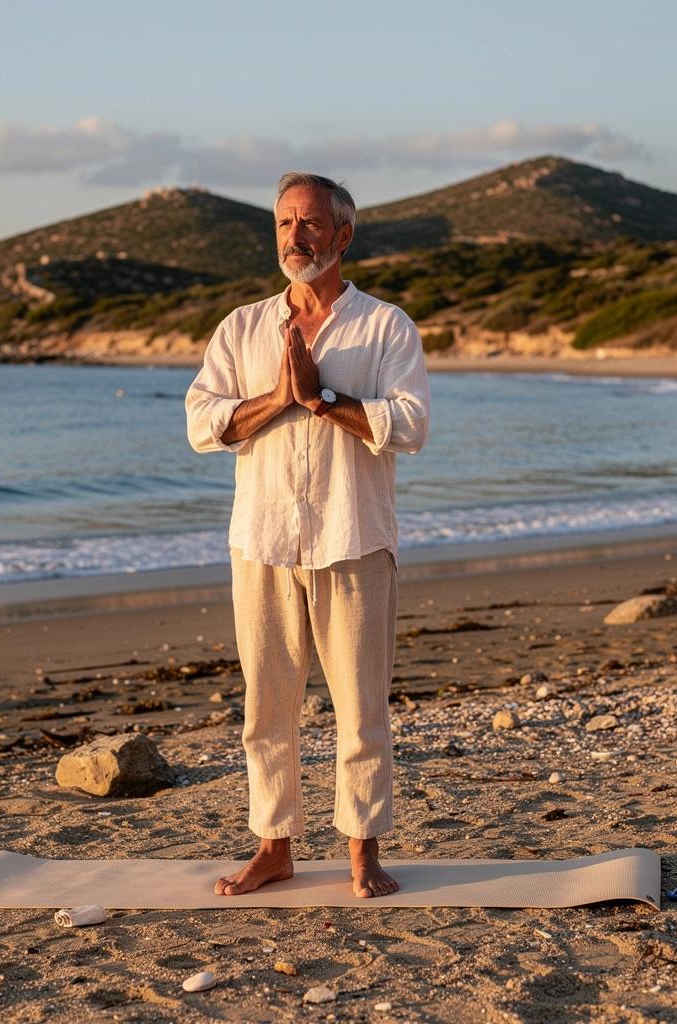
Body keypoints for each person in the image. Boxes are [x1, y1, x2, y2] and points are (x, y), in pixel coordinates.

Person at [185, 171, 430, 898]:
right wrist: (277, 397)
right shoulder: (242, 327)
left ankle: (363, 851)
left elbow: (410, 424)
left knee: (361, 708)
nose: (296, 236)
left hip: (354, 538)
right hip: (262, 540)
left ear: (343, 235)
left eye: (311, 223)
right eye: (285, 223)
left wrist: (322, 396)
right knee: (266, 708)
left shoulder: (386, 326)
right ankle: (274, 848)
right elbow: (202, 422)